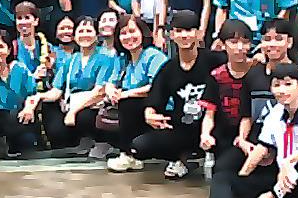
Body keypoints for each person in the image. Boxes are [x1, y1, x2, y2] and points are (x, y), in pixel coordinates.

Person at [195, 62, 298, 198]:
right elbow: (262, 148)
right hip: (281, 185)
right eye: (277, 85)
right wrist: (242, 178)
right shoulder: (275, 114)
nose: (282, 90)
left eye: (288, 84)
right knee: (224, 177)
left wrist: (290, 161)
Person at [107, 10, 225, 175]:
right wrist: (150, 114)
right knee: (140, 146)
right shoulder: (169, 69)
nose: (184, 35)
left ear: (198, 33)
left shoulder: (216, 60)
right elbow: (155, 98)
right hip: (184, 129)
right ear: (171, 35)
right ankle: (181, 160)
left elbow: (240, 67)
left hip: (215, 126)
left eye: (189, 30)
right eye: (179, 31)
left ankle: (213, 157)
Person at [25, 17, 118, 156]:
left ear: (96, 35)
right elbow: (56, 91)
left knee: (83, 116)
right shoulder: (71, 60)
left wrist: (73, 111)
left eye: (89, 31)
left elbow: (99, 91)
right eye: (81, 31)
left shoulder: (106, 58)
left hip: (92, 105)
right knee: (49, 108)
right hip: (71, 103)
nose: (85, 34)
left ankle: (99, 142)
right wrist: (38, 97)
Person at [198, 20, 273, 181]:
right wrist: (205, 134)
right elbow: (209, 114)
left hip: (255, 132)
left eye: (245, 42)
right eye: (233, 42)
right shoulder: (217, 76)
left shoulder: (259, 71)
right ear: (223, 44)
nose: (240, 48)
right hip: (225, 133)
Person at [103, 15, 168, 159]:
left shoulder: (153, 55)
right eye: (123, 33)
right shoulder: (122, 58)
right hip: (133, 110)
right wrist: (111, 90)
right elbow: (110, 81)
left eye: (132, 31)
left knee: (127, 102)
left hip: (158, 107)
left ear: (142, 32)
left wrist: (126, 93)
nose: (128, 37)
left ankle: (127, 154)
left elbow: (157, 87)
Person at [0, 31, 39, 160]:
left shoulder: (20, 69)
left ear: (9, 50)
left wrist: (29, 108)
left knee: (28, 142)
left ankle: (14, 145)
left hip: (16, 116)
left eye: (1, 46)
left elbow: (32, 94)